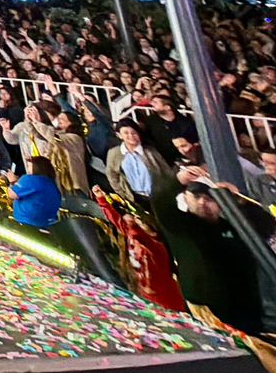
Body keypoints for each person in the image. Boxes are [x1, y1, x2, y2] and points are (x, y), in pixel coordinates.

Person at [154, 166, 275, 335]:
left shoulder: (233, 226)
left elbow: (266, 225)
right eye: (196, 197)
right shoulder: (182, 226)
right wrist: (178, 180)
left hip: (244, 305)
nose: (202, 202)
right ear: (187, 199)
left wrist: (239, 201)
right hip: (207, 307)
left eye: (209, 198)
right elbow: (161, 204)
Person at [105, 120, 171, 208]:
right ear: (119, 135)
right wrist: (123, 194)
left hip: (158, 195)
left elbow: (166, 171)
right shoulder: (114, 153)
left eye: (133, 132)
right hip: (135, 198)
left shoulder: (150, 151)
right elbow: (112, 176)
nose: (131, 136)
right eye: (126, 133)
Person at [7, 156, 63, 230]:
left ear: (37, 167)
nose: (28, 169)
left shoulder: (30, 179)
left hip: (27, 221)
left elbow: (12, 194)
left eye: (29, 166)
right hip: (49, 223)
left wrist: (12, 181)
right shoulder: (51, 182)